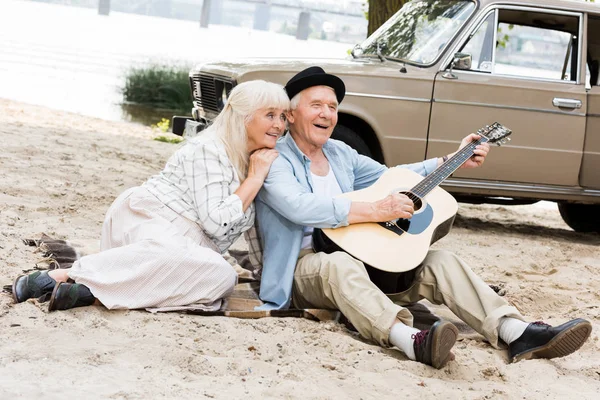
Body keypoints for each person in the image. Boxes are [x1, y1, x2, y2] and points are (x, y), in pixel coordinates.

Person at [251, 66, 592, 369]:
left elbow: (392, 177)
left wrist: (451, 159)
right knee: (339, 267)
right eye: (317, 105)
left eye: (333, 107)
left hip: (362, 256)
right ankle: (409, 339)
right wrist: (375, 210)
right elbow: (298, 206)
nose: (327, 113)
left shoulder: (340, 153)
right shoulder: (275, 159)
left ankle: (515, 331)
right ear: (291, 115)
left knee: (440, 261)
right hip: (303, 268)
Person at [12, 80, 289, 313]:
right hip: (148, 217)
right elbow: (216, 222)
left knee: (222, 278)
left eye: (283, 116)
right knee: (189, 260)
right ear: (243, 116)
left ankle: (86, 293)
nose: (279, 125)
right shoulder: (209, 150)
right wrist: (254, 179)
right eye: (270, 115)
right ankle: (58, 277)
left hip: (191, 250)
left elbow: (254, 228)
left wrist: (269, 279)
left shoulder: (258, 160)